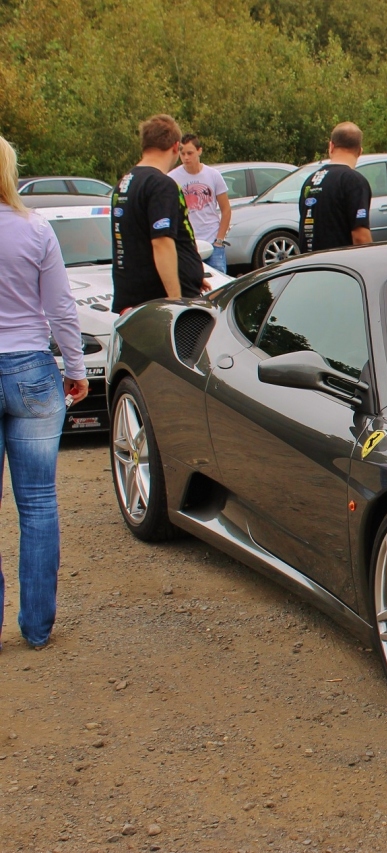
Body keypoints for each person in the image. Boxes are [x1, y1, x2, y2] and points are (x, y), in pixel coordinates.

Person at [0, 134, 89, 652]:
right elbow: (61, 308)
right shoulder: (36, 229)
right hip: (31, 368)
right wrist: (74, 369)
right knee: (37, 502)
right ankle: (37, 627)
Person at [111, 115, 208, 315]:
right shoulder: (161, 184)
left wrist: (190, 275)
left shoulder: (125, 182)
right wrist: (175, 301)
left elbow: (137, 238)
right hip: (160, 303)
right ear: (175, 147)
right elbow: (161, 242)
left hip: (136, 295)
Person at [299, 122, 373, 253]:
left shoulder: (310, 181)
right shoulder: (354, 181)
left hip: (310, 265)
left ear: (331, 146)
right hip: (340, 267)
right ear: (360, 151)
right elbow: (360, 237)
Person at [168, 134, 232, 273]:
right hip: (187, 244)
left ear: (199, 151)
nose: (186, 157)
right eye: (182, 153)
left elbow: (226, 209)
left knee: (219, 286)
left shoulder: (213, 175)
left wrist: (219, 240)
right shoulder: (172, 178)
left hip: (212, 241)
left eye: (190, 153)